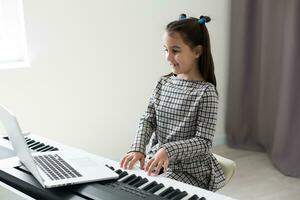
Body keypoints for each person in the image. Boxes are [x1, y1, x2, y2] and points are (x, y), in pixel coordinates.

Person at [120, 14, 225, 191]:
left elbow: (203, 141)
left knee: (150, 192)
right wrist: (138, 148)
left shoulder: (206, 92)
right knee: (124, 185)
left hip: (190, 171)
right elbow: (148, 119)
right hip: (158, 162)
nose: (168, 57)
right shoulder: (163, 83)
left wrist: (169, 150)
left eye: (175, 50)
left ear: (197, 52)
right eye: (165, 50)